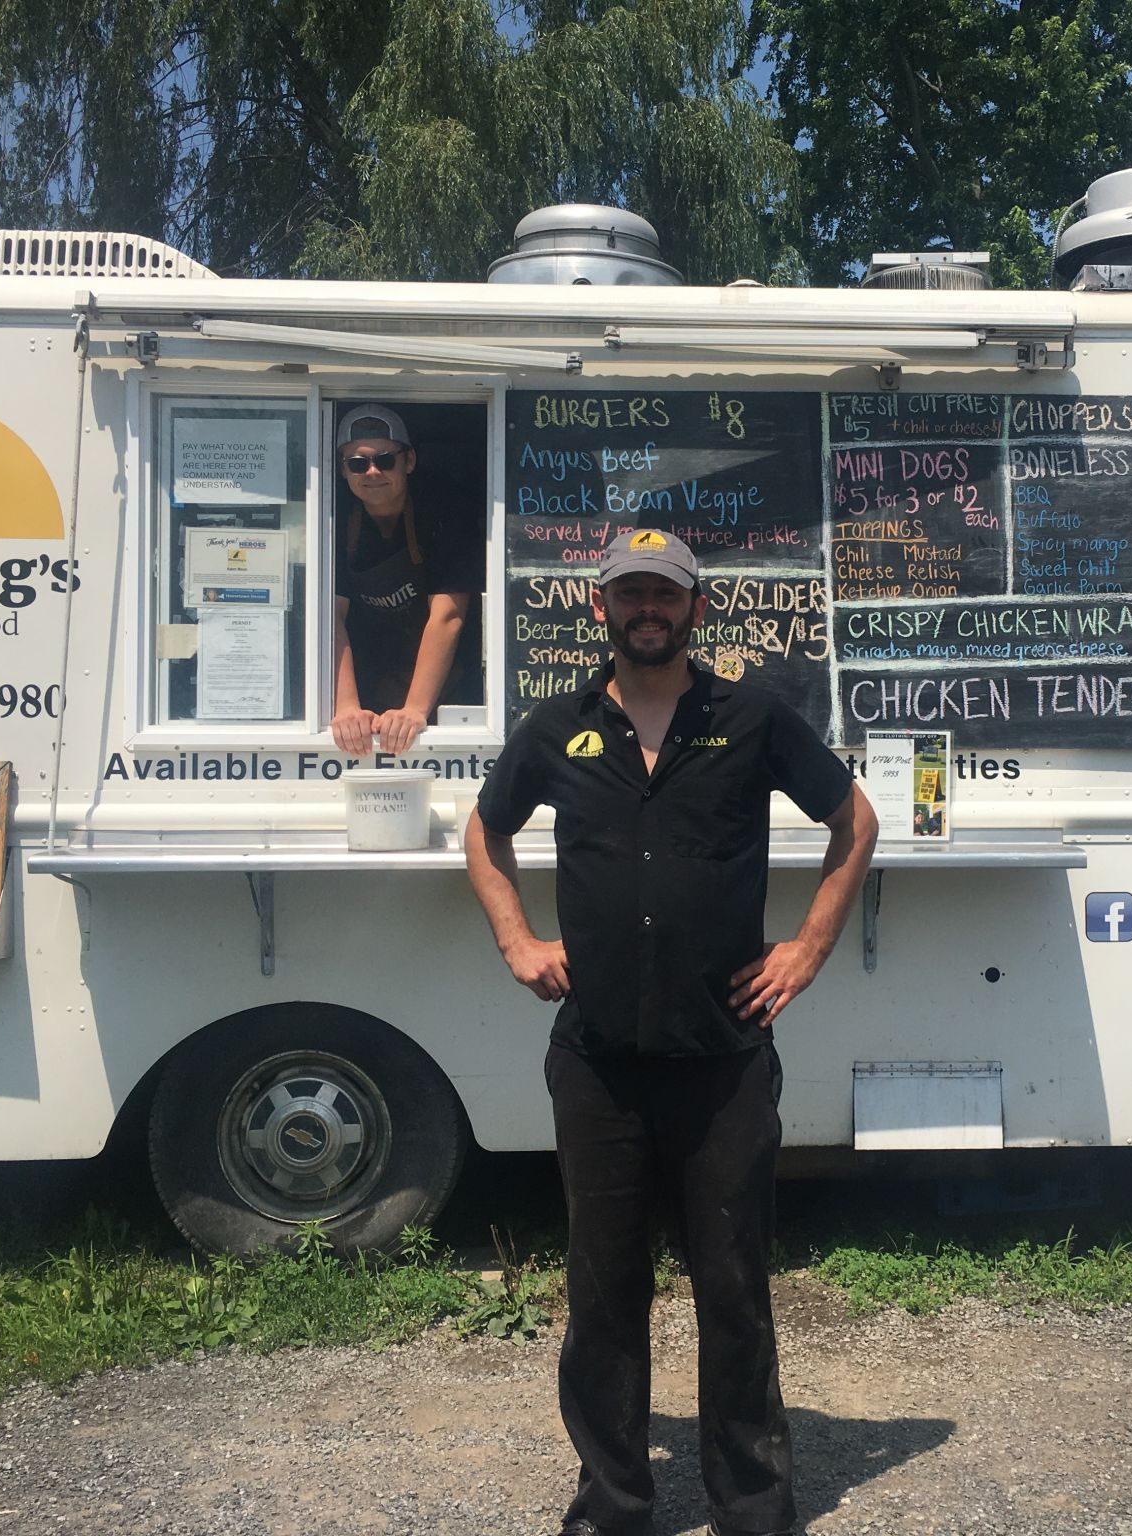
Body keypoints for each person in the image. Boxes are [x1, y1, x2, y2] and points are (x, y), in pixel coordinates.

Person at [464, 528, 878, 1536]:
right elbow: (483, 831)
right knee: (602, 1298)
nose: (645, 609)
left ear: (697, 608)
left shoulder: (750, 718)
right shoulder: (557, 727)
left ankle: (750, 1506)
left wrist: (807, 949)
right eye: (628, 594)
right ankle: (612, 1503)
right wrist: (517, 939)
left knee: (732, 1290)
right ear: (599, 608)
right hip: (597, 1063)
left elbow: (853, 820)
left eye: (665, 594)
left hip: (722, 1064)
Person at [331, 404, 476, 754]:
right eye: (357, 463)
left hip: (448, 691)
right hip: (372, 675)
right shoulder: (331, 517)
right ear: (343, 470)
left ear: (408, 461)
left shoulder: (446, 510)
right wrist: (347, 707)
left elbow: (448, 616)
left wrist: (413, 711)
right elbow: (332, 616)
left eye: (385, 460)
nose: (372, 472)